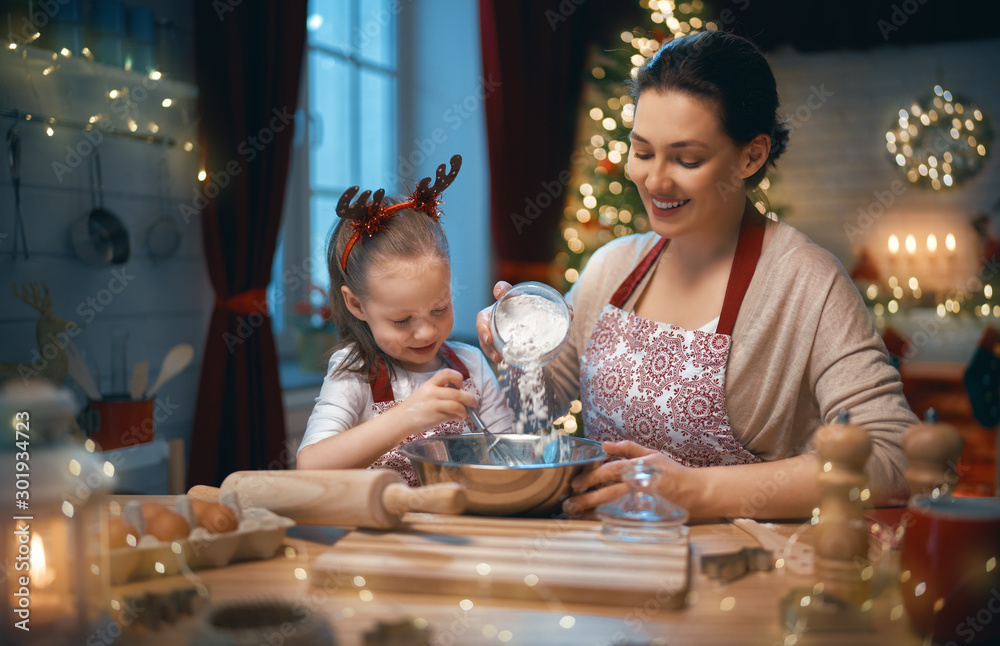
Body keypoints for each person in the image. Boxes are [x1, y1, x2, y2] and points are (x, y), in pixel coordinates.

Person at [478, 31, 916, 518]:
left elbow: (894, 457)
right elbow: (538, 405)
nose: (656, 180)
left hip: (742, 574)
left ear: (751, 156)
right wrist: (514, 349)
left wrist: (698, 493)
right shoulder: (613, 267)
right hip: (604, 552)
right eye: (642, 152)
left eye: (687, 159)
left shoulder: (806, 282)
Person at [298, 155, 513, 485]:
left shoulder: (472, 366)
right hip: (382, 533)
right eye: (401, 320)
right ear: (356, 305)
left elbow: (508, 457)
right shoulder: (355, 372)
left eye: (439, 309)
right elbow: (310, 469)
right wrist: (409, 415)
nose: (426, 331)